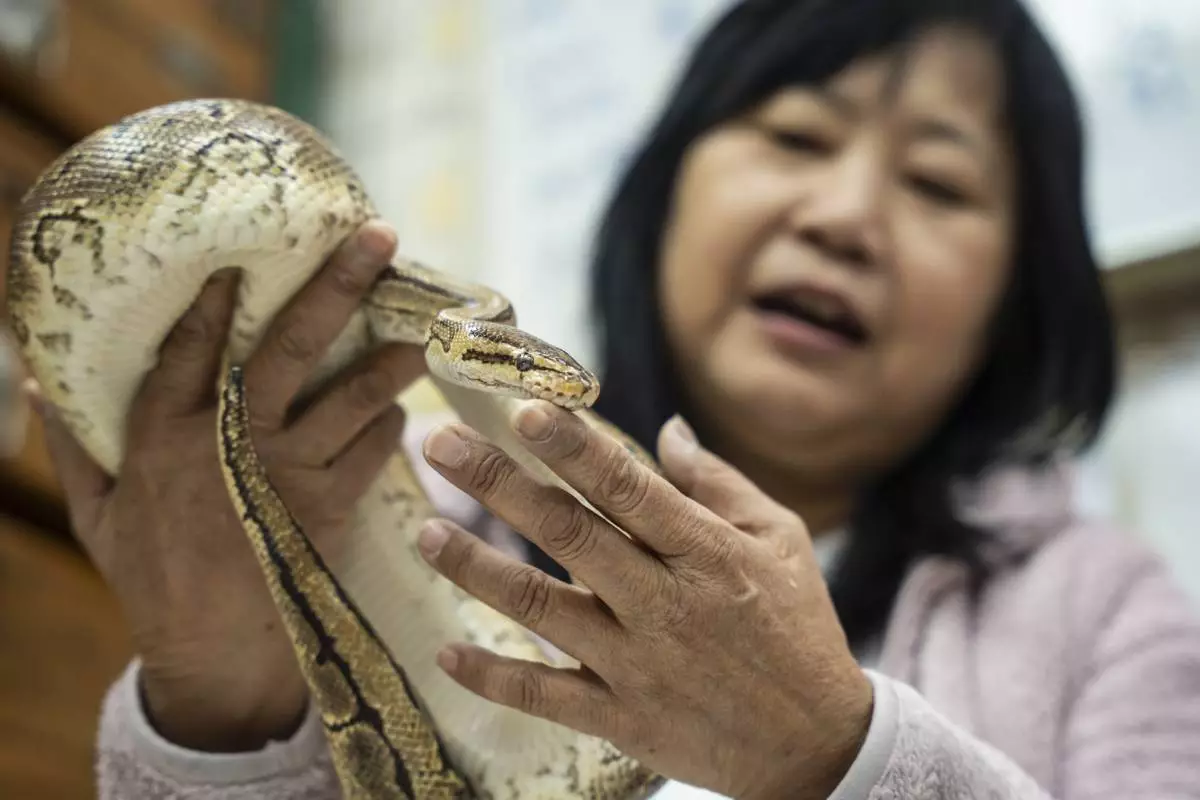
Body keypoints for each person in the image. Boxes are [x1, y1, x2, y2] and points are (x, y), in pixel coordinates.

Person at [28, 0, 1200, 797]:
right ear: (664, 199)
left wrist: (829, 750)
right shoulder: (394, 502)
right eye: (797, 134)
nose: (844, 215)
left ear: (1019, 295)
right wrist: (219, 703)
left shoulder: (1103, 609)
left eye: (939, 180)